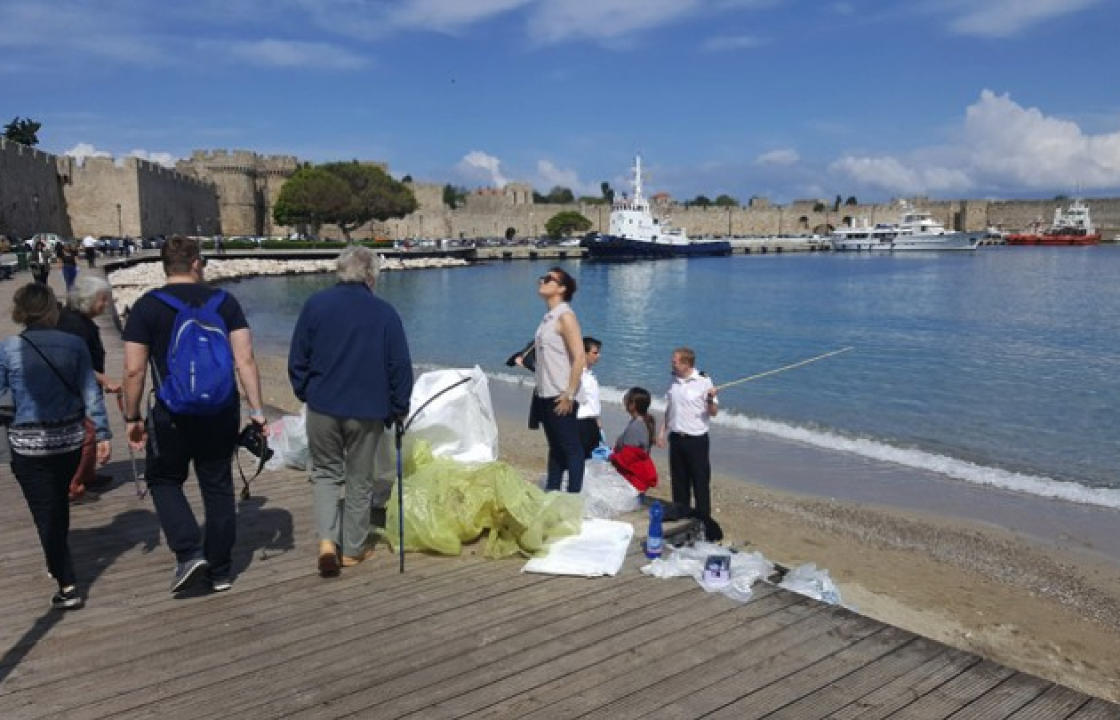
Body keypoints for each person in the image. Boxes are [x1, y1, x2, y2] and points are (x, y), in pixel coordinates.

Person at [121, 235, 266, 594]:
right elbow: (244, 360)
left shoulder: (147, 307)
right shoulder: (225, 303)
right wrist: (257, 410)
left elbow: (133, 371)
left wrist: (132, 417)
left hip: (171, 411)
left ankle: (188, 551)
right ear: (198, 264)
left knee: (164, 480)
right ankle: (220, 571)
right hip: (220, 410)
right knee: (217, 485)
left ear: (164, 266)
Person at [288, 246, 412, 577]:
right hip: (368, 410)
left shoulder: (315, 305)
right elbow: (399, 366)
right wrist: (399, 408)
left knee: (326, 475)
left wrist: (306, 392)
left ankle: (328, 542)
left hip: (322, 406)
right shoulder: (384, 313)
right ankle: (353, 549)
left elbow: (298, 358)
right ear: (371, 276)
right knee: (360, 479)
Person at [1, 283, 111, 610]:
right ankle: (57, 559)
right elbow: (91, 393)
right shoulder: (75, 344)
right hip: (69, 442)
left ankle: (66, 583)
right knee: (57, 505)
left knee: (45, 512)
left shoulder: (8, 349)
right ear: (51, 309)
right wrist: (103, 434)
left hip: (27, 444)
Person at [58, 276, 119, 501]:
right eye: (102, 301)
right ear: (88, 300)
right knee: (85, 433)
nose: (105, 306)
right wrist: (104, 379)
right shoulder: (73, 325)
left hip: (86, 382)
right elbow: (74, 363)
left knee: (86, 432)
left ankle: (88, 474)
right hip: (77, 387)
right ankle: (76, 482)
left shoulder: (79, 319)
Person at [528, 267, 586, 493]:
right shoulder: (548, 318)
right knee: (555, 448)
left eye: (549, 279)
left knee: (571, 448)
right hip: (545, 393)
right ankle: (552, 493)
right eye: (543, 277)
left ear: (561, 288)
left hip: (560, 395)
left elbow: (580, 356)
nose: (542, 280)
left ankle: (573, 498)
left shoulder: (565, 317)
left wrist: (569, 393)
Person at [657, 347, 719, 522]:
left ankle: (703, 520)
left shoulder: (704, 381)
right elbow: (670, 408)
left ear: (686, 363)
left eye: (675, 361)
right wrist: (662, 432)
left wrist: (710, 398)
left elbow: (713, 412)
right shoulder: (673, 380)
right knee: (678, 481)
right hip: (676, 438)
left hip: (696, 440)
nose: (672, 363)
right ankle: (681, 513)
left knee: (700, 482)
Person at [611, 386, 658, 493]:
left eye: (626, 398)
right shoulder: (642, 422)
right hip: (635, 476)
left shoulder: (636, 426)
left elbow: (627, 458)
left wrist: (610, 457)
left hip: (632, 479)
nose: (624, 400)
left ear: (632, 405)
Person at [575, 336, 603, 459]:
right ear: (585, 353)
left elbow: (592, 401)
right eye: (595, 353)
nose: (598, 356)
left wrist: (597, 420)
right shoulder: (578, 374)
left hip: (592, 422)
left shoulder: (590, 375)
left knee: (591, 459)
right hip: (580, 422)